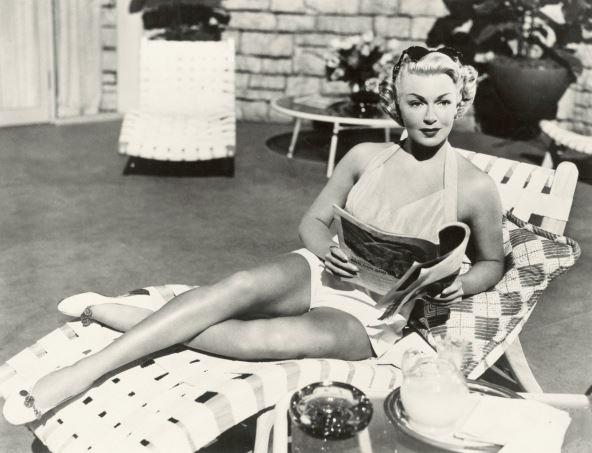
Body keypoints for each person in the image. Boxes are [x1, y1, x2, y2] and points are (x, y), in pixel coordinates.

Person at [3, 46, 504, 425]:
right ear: (396, 104)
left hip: (375, 315)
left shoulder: (475, 187)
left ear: (460, 102)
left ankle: (125, 316)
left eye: (443, 102)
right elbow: (312, 223)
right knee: (237, 286)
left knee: (260, 338)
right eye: (417, 102)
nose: (431, 116)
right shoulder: (364, 157)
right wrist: (327, 251)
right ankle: (83, 372)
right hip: (323, 272)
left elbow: (492, 263)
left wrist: (462, 284)